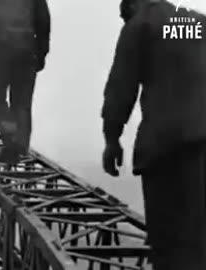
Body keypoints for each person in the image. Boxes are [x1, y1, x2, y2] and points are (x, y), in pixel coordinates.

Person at [101, 0, 206, 269]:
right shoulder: (196, 22)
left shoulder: (141, 25)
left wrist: (112, 140)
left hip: (166, 149)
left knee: (168, 243)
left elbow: (120, 87)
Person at [0, 0, 51, 163]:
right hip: (27, 52)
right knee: (22, 104)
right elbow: (43, 21)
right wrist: (42, 52)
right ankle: (19, 145)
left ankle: (11, 137)